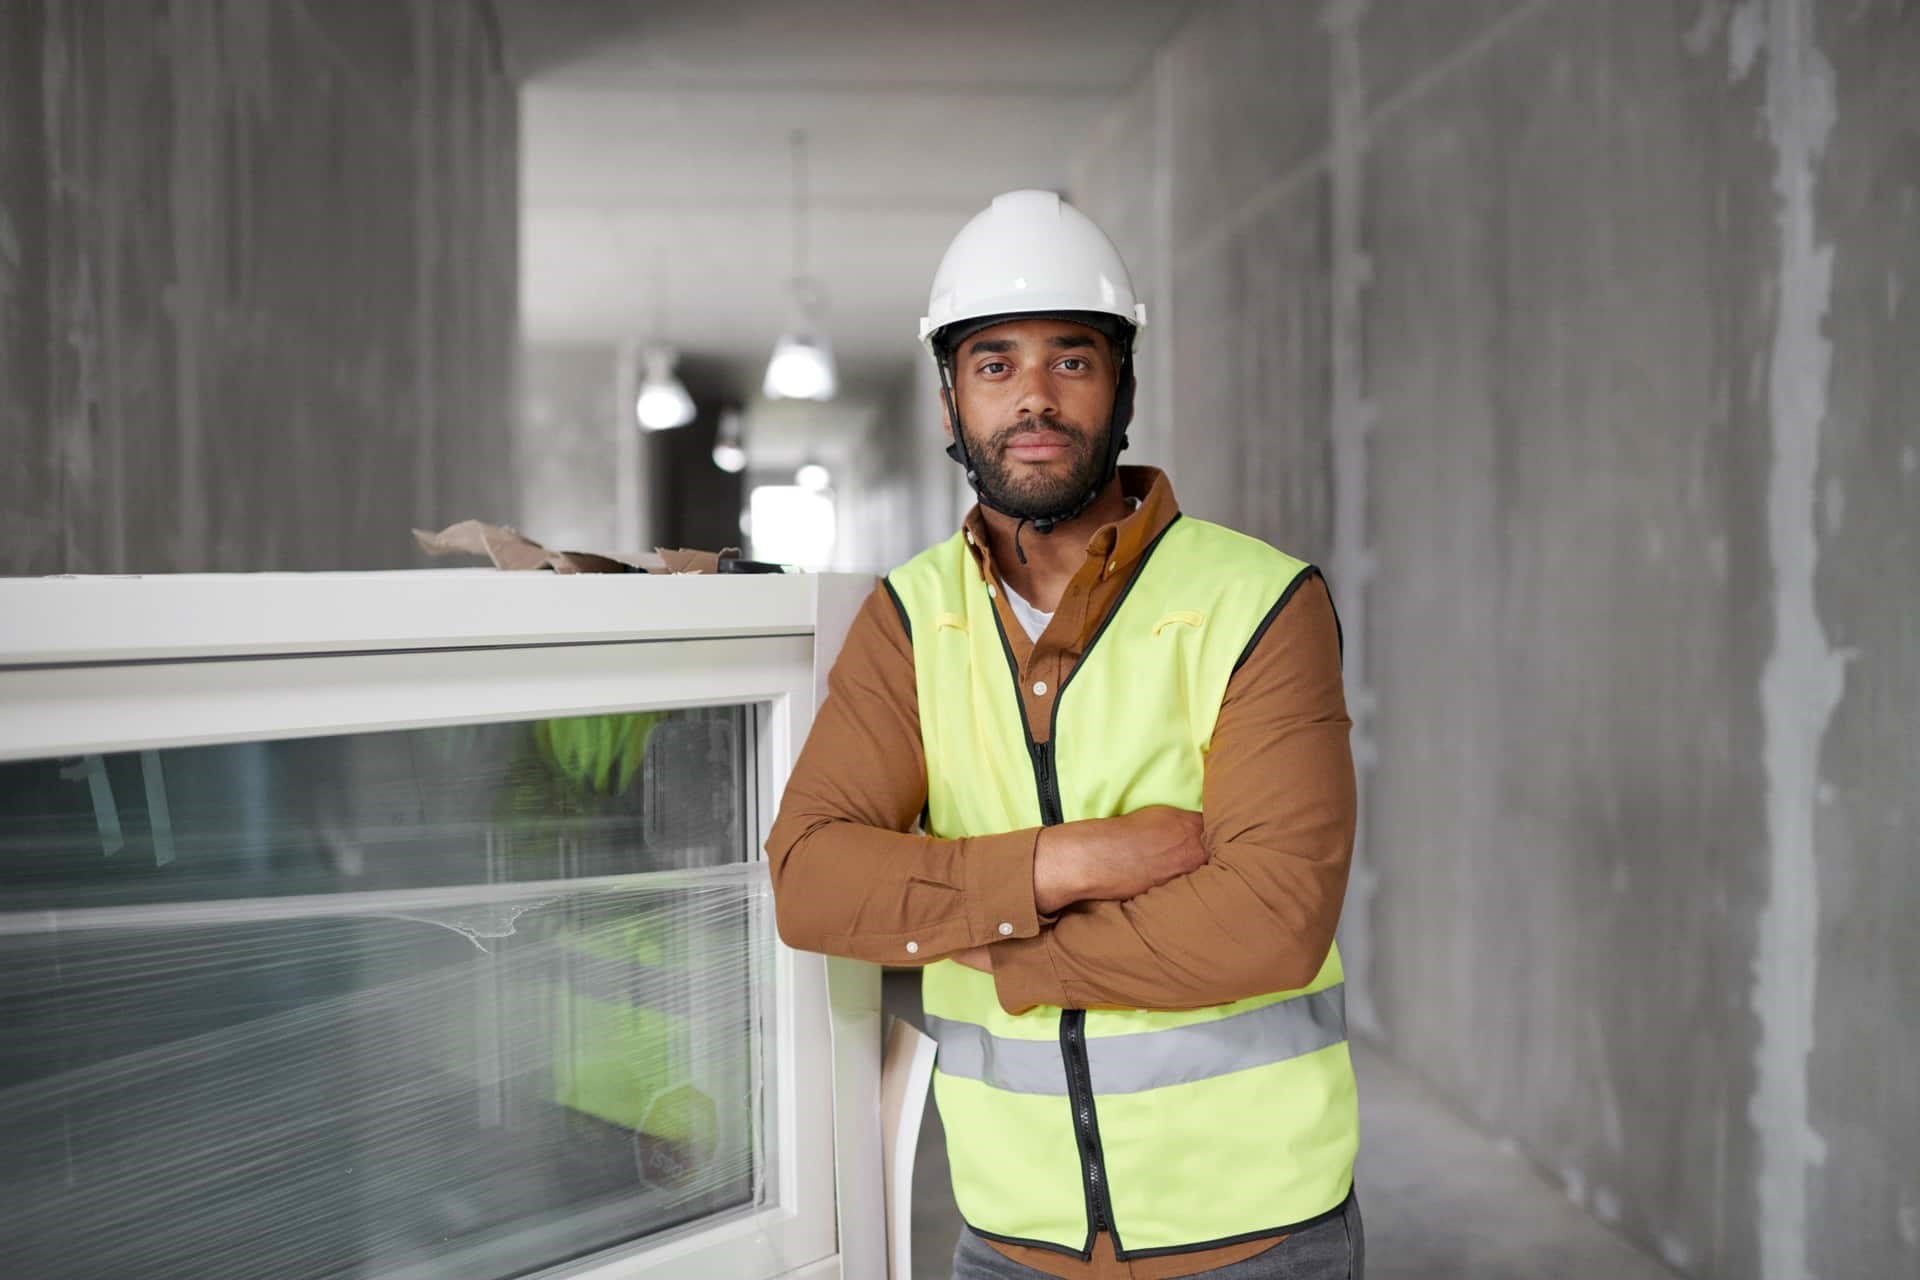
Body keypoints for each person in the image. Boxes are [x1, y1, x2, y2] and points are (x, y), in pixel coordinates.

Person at [767, 190, 1362, 1280]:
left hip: (1255, 1233)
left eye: (1071, 360)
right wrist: (1063, 859)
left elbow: (1271, 919)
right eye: (994, 363)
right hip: (1011, 1238)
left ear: (1122, 387)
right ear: (949, 401)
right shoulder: (908, 620)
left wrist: (996, 944)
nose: (1033, 397)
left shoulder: (1260, 599)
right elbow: (811, 881)